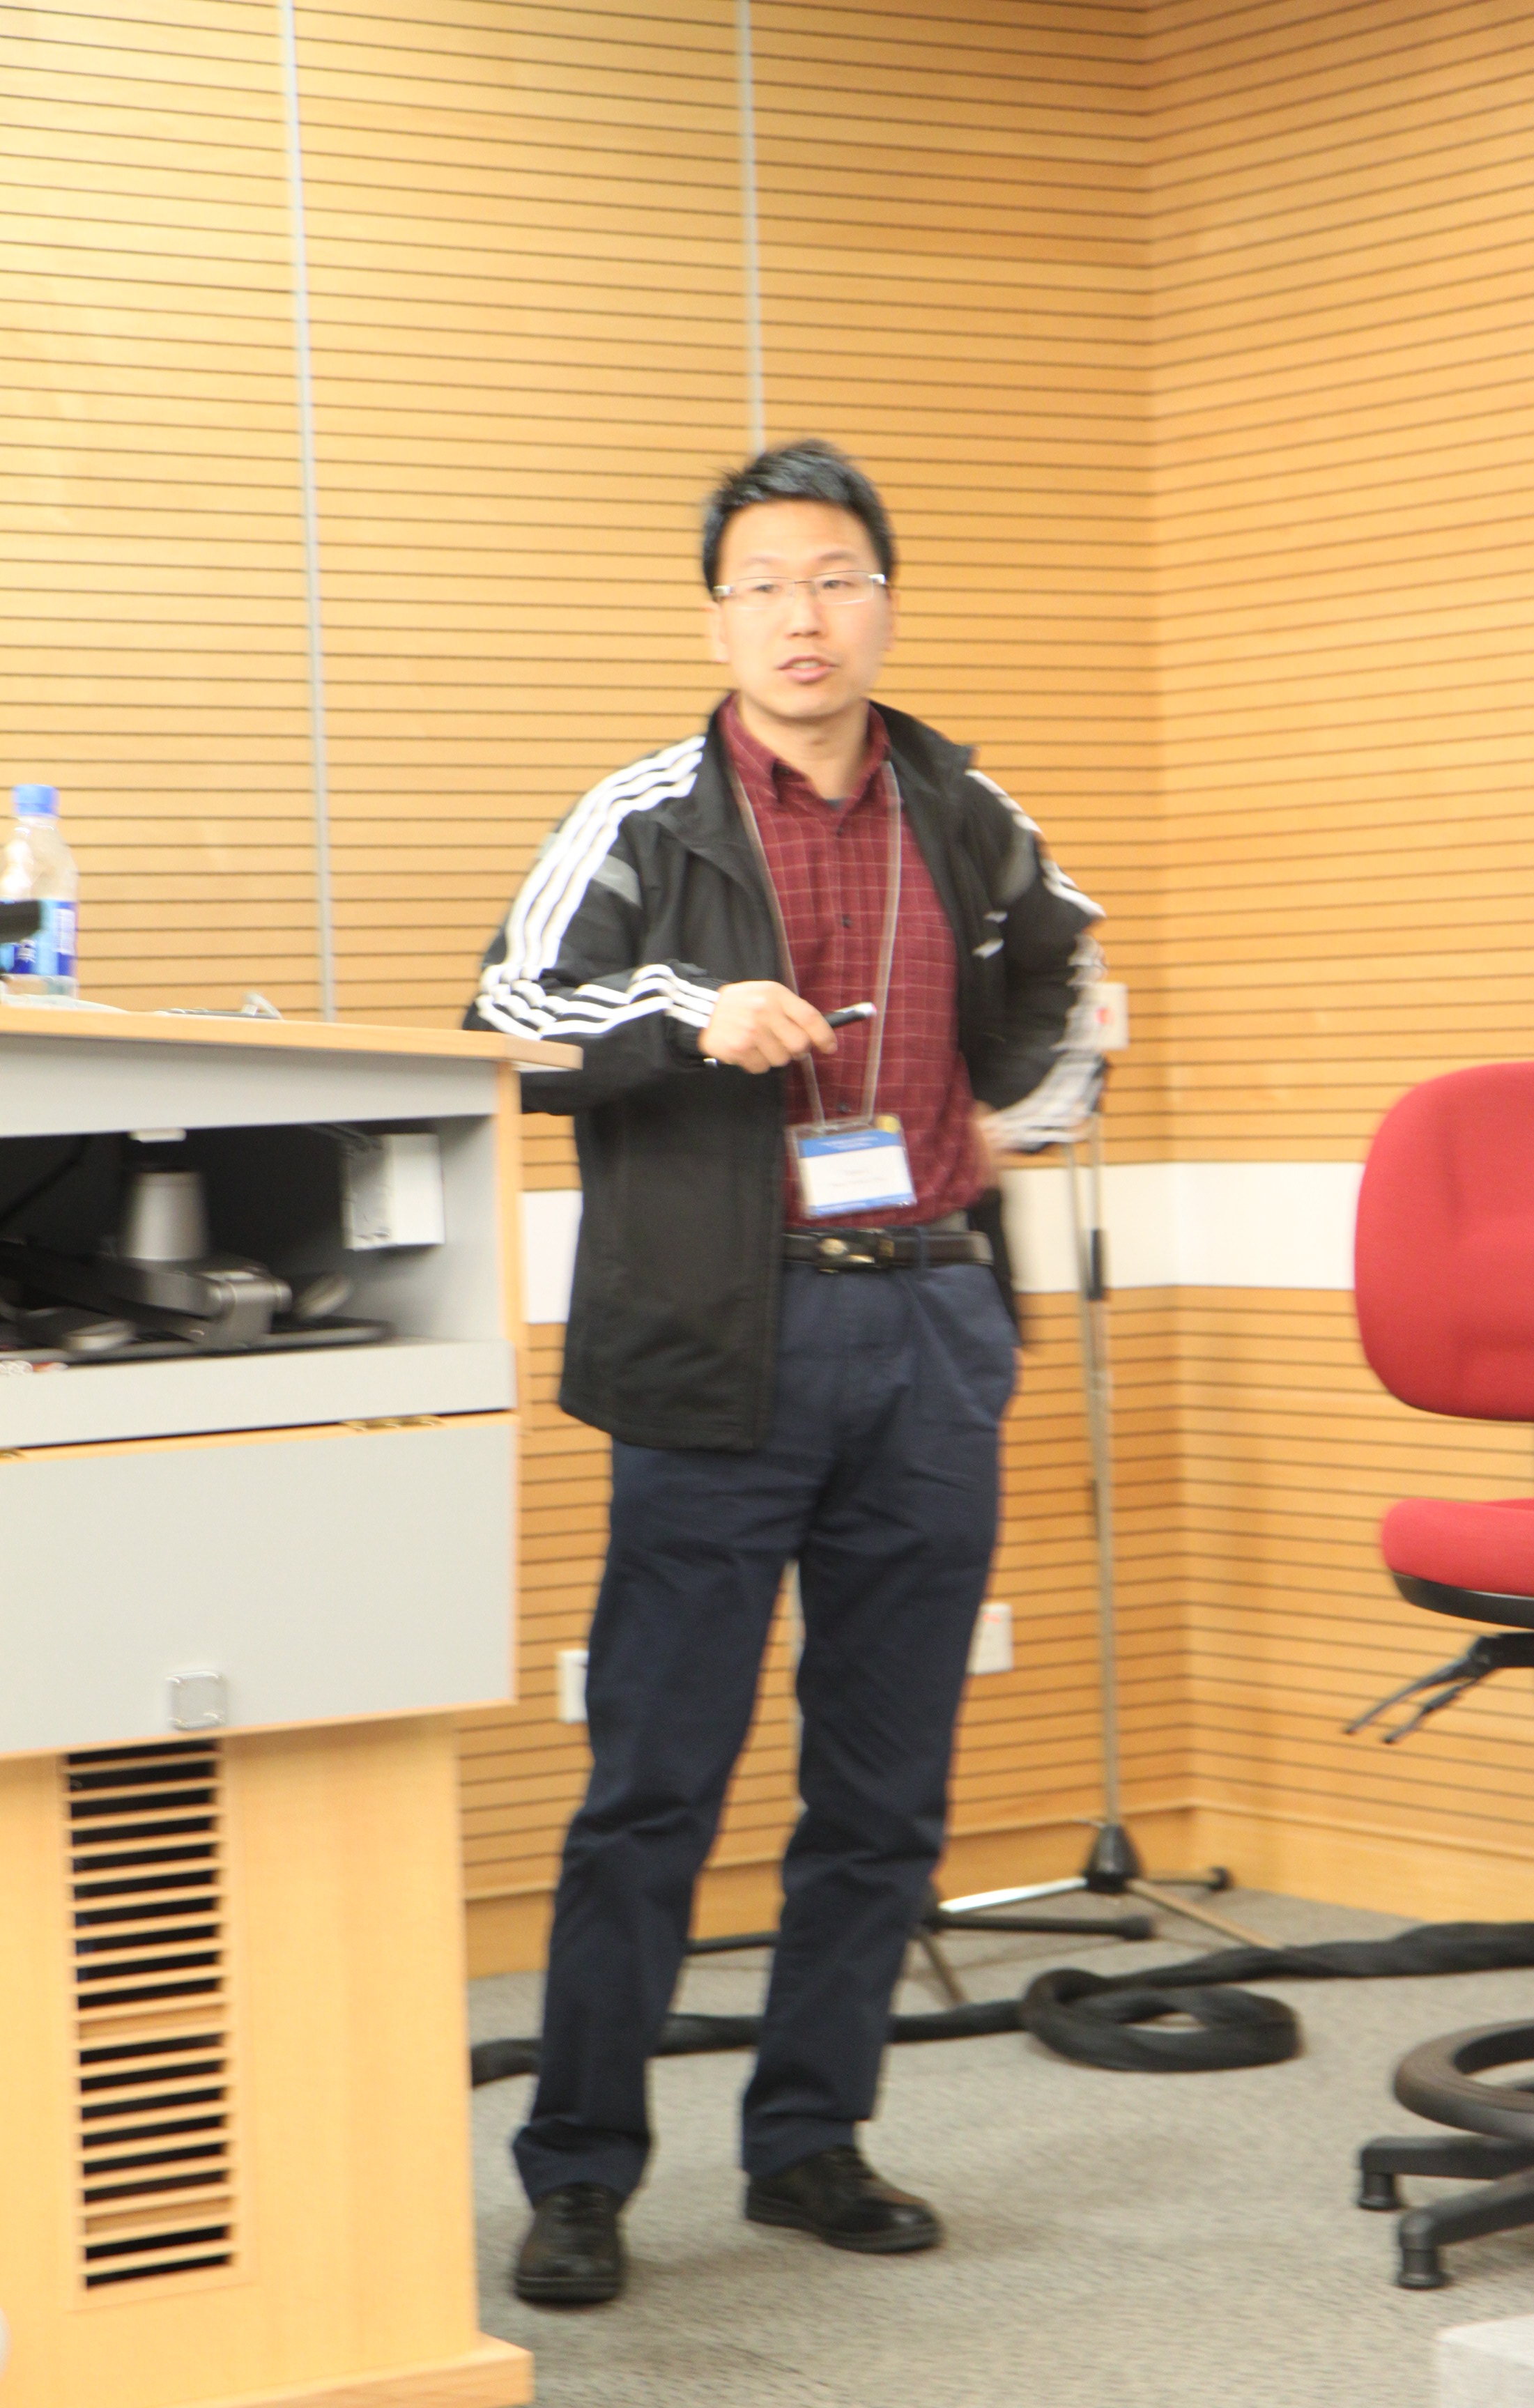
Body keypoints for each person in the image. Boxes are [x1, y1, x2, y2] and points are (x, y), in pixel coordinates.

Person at [466, 439, 1102, 2306]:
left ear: (883, 603)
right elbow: (506, 1015)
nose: (801, 616)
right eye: (762, 587)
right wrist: (684, 1011)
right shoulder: (645, 814)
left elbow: (1066, 971)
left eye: (834, 579)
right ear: (717, 621)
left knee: (885, 1789)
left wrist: (1016, 1107)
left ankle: (811, 2141)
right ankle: (582, 2171)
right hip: (718, 1331)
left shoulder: (968, 804)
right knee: (654, 1785)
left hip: (929, 1322)